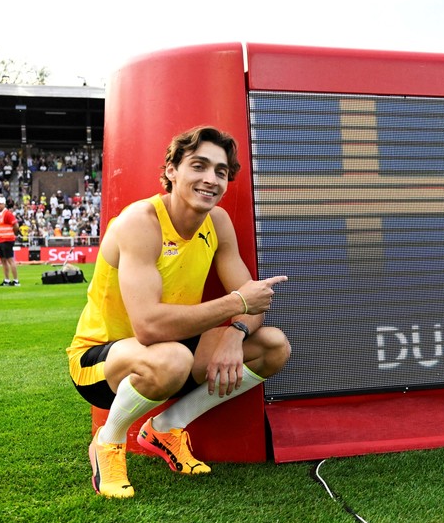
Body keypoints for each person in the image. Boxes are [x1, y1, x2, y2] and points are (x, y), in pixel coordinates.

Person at [67, 126, 290, 498]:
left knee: (272, 346)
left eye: (220, 171)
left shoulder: (217, 222)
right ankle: (107, 440)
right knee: (170, 357)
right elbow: (149, 327)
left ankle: (167, 427)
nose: (210, 179)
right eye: (198, 166)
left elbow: (253, 304)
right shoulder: (140, 222)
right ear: (172, 170)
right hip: (100, 359)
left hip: (175, 349)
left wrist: (235, 334)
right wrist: (237, 304)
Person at [0, 195, 20, 286]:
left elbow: (16, 225)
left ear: (3, 204)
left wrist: (14, 234)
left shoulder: (7, 214)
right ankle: (7, 280)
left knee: (10, 260)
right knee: (3, 261)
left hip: (7, 239)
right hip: (0, 240)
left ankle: (16, 281)